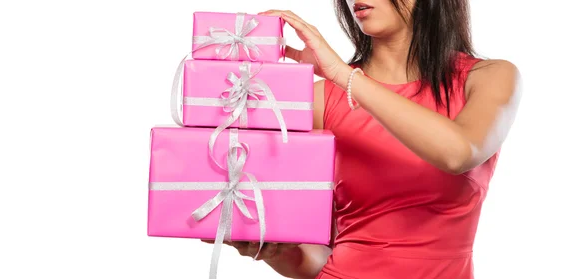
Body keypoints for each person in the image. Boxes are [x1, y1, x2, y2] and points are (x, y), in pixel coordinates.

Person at [203, 0, 522, 278]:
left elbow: (459, 152)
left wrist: (344, 76)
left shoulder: (489, 77)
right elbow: (319, 257)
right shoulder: (318, 100)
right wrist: (275, 251)